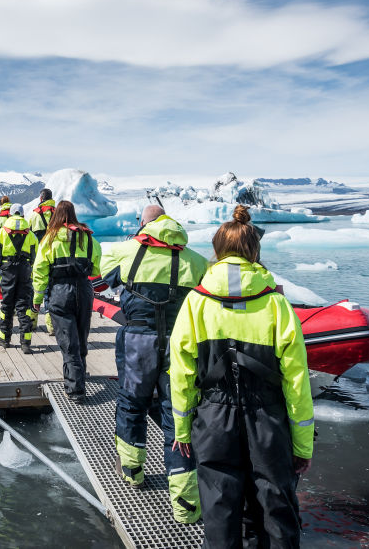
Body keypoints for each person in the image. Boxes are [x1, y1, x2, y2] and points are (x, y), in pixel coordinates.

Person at [169, 205, 314, 548]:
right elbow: (297, 381)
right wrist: (303, 444)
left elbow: (181, 372)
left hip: (214, 418)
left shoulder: (196, 303)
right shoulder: (277, 305)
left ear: (217, 251)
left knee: (219, 507)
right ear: (254, 251)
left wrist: (182, 429)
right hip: (268, 419)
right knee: (276, 505)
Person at [100, 205, 209, 523]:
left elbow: (102, 281)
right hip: (180, 349)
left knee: (131, 405)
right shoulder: (196, 261)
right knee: (178, 420)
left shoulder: (124, 250)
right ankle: (186, 506)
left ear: (144, 225)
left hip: (137, 344)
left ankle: (132, 472)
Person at [32, 201, 102, 400]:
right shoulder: (89, 238)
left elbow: (40, 270)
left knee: (67, 340)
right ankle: (80, 376)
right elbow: (97, 269)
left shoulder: (50, 238)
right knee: (81, 336)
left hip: (60, 290)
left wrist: (37, 298)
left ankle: (75, 389)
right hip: (83, 290)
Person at [0, 203, 37, 352]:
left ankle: (5, 340)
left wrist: (4, 266)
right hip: (24, 272)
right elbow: (35, 256)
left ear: (10, 215)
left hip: (8, 272)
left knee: (6, 306)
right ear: (23, 215)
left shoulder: (2, 233)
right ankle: (26, 343)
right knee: (24, 307)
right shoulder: (30, 234)